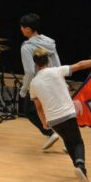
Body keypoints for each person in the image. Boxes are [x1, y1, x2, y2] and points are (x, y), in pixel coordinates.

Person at [30, 49, 91, 182]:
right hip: (67, 115)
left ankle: (78, 167)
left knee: (68, 141)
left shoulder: (33, 83)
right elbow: (80, 65)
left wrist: (44, 122)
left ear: (35, 64)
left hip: (53, 120)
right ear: (48, 61)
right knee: (78, 142)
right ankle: (80, 166)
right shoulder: (56, 71)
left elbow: (38, 107)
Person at [19, 13, 62, 151]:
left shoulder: (26, 47)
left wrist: (24, 90)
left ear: (28, 30)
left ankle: (50, 133)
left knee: (29, 110)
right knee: (56, 113)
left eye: (22, 27)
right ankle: (69, 141)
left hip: (39, 83)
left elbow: (30, 71)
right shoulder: (49, 42)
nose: (21, 29)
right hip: (54, 80)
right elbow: (57, 62)